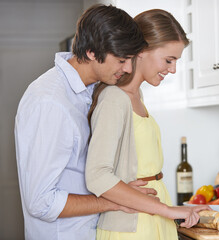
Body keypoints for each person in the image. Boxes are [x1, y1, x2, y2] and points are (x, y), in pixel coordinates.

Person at [14, 4, 155, 240]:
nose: (128, 68)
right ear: (91, 51)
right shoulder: (51, 102)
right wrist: (112, 201)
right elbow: (41, 202)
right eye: (121, 60)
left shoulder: (87, 92)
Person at [85, 9, 209, 240]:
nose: (172, 69)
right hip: (131, 225)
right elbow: (97, 175)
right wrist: (169, 210)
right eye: (168, 60)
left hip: (154, 217)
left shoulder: (137, 95)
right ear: (142, 51)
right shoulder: (114, 98)